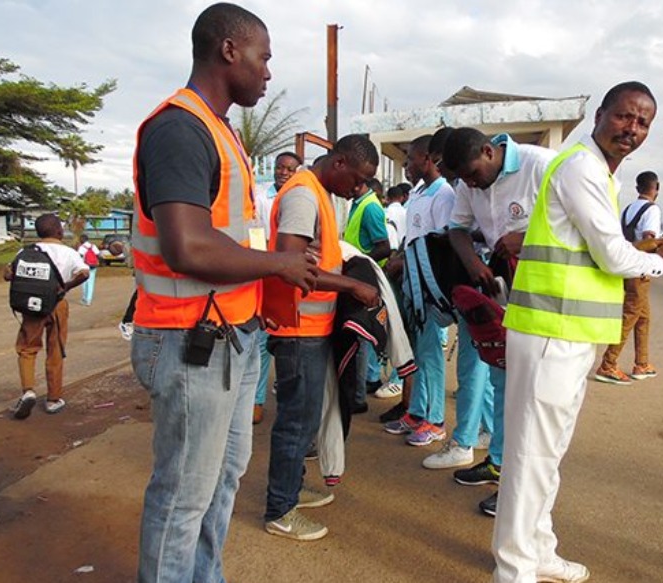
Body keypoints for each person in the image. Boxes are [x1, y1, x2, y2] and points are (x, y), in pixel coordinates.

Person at [131, 5, 318, 582]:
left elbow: (229, 232)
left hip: (231, 336)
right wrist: (279, 264)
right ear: (229, 51)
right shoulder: (179, 129)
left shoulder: (220, 131)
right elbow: (188, 247)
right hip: (189, 339)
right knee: (184, 494)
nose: (268, 73)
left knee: (222, 479)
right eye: (263, 57)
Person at [493, 81, 663, 583]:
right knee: (531, 456)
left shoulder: (597, 171)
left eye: (643, 122)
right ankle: (514, 569)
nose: (633, 129)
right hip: (550, 333)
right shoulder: (581, 166)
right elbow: (610, 253)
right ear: (600, 114)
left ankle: (538, 550)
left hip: (569, 333)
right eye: (625, 116)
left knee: (547, 454)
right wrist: (659, 259)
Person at [265, 133, 380, 541]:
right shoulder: (303, 195)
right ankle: (280, 509)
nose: (359, 188)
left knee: (305, 417)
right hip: (297, 328)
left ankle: (290, 490)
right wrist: (352, 287)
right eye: (358, 178)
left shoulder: (319, 193)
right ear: (340, 163)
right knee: (297, 421)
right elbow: (290, 263)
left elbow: (320, 256)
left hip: (312, 327)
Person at [439, 128, 555, 518]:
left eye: (473, 175)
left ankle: (521, 493)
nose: (470, 185)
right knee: (504, 379)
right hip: (504, 291)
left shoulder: (540, 166)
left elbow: (579, 225)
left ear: (489, 151)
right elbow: (457, 229)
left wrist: (527, 239)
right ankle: (500, 463)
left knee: (533, 394)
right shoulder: (469, 181)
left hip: (546, 296)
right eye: (463, 181)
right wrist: (473, 262)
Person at [384, 133, 456, 446]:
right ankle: (416, 411)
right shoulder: (418, 192)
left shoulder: (444, 195)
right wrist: (400, 256)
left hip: (428, 290)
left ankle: (435, 420)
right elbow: (411, 237)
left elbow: (443, 243)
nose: (407, 164)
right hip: (412, 288)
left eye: (411, 158)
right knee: (416, 353)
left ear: (427, 159)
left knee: (431, 356)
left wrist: (411, 263)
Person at [6, 214, 90, 419]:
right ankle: (53, 399)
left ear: (38, 232)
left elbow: (8, 274)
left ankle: (28, 391)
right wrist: (65, 286)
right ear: (59, 232)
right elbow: (84, 273)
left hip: (31, 308)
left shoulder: (25, 251)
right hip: (57, 305)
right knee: (55, 350)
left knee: (27, 348)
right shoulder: (68, 252)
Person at [594, 171, 663, 384]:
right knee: (631, 315)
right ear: (656, 188)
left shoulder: (627, 210)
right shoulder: (652, 210)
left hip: (627, 265)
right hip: (640, 268)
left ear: (637, 188)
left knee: (643, 317)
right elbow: (649, 239)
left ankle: (642, 363)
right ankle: (608, 363)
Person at [253, 151, 303, 425]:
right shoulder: (262, 198)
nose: (283, 172)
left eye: (289, 169)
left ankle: (286, 394)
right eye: (280, 167)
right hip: (268, 271)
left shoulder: (302, 195)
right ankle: (257, 400)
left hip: (293, 274)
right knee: (262, 340)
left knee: (290, 340)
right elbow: (256, 233)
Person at [344, 177, 392, 412]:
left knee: (361, 338)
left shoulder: (370, 206)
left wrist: (363, 266)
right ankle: (358, 390)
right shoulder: (358, 203)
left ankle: (358, 395)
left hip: (363, 279)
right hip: (355, 277)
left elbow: (384, 246)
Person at [76, 234, 99, 306]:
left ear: (81, 240)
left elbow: (79, 257)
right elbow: (98, 254)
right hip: (93, 266)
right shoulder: (93, 246)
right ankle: (89, 300)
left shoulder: (81, 248)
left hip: (84, 266)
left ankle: (84, 298)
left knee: (84, 282)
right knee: (91, 283)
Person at [385, 185, 408, 249]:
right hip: (405, 248)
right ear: (401, 198)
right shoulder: (407, 212)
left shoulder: (385, 213)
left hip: (392, 249)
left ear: (388, 198)